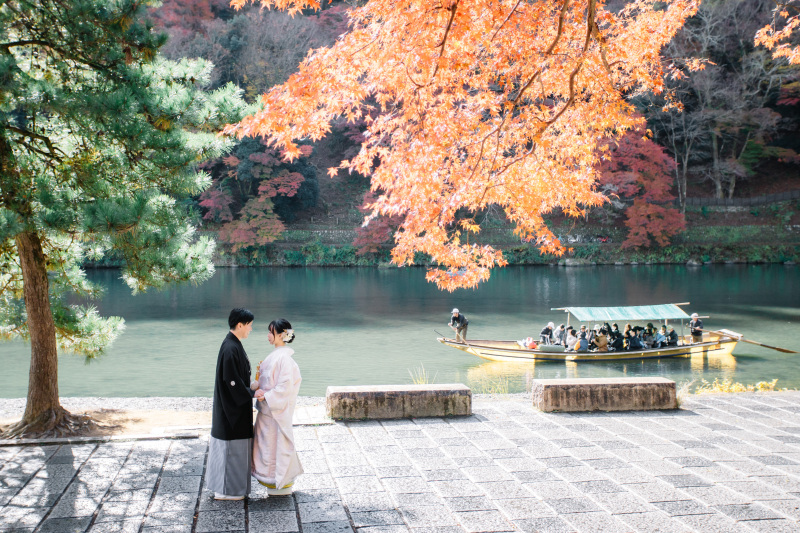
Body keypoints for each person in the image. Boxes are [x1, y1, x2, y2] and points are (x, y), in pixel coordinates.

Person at [208, 308, 264, 501]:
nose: (251, 329)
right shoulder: (230, 347)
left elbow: (237, 378)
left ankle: (230, 489)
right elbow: (231, 382)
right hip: (230, 412)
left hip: (233, 407)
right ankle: (226, 491)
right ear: (240, 325)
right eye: (249, 326)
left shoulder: (232, 344)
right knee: (230, 450)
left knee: (232, 451)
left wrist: (250, 386)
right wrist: (251, 392)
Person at [252, 319, 304, 496]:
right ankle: (272, 481)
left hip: (274, 411)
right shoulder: (276, 356)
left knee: (276, 448)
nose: (268, 335)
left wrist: (265, 395)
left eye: (271, 332)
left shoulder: (284, 359)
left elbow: (284, 388)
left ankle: (280, 481)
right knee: (266, 448)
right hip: (268, 411)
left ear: (281, 335)